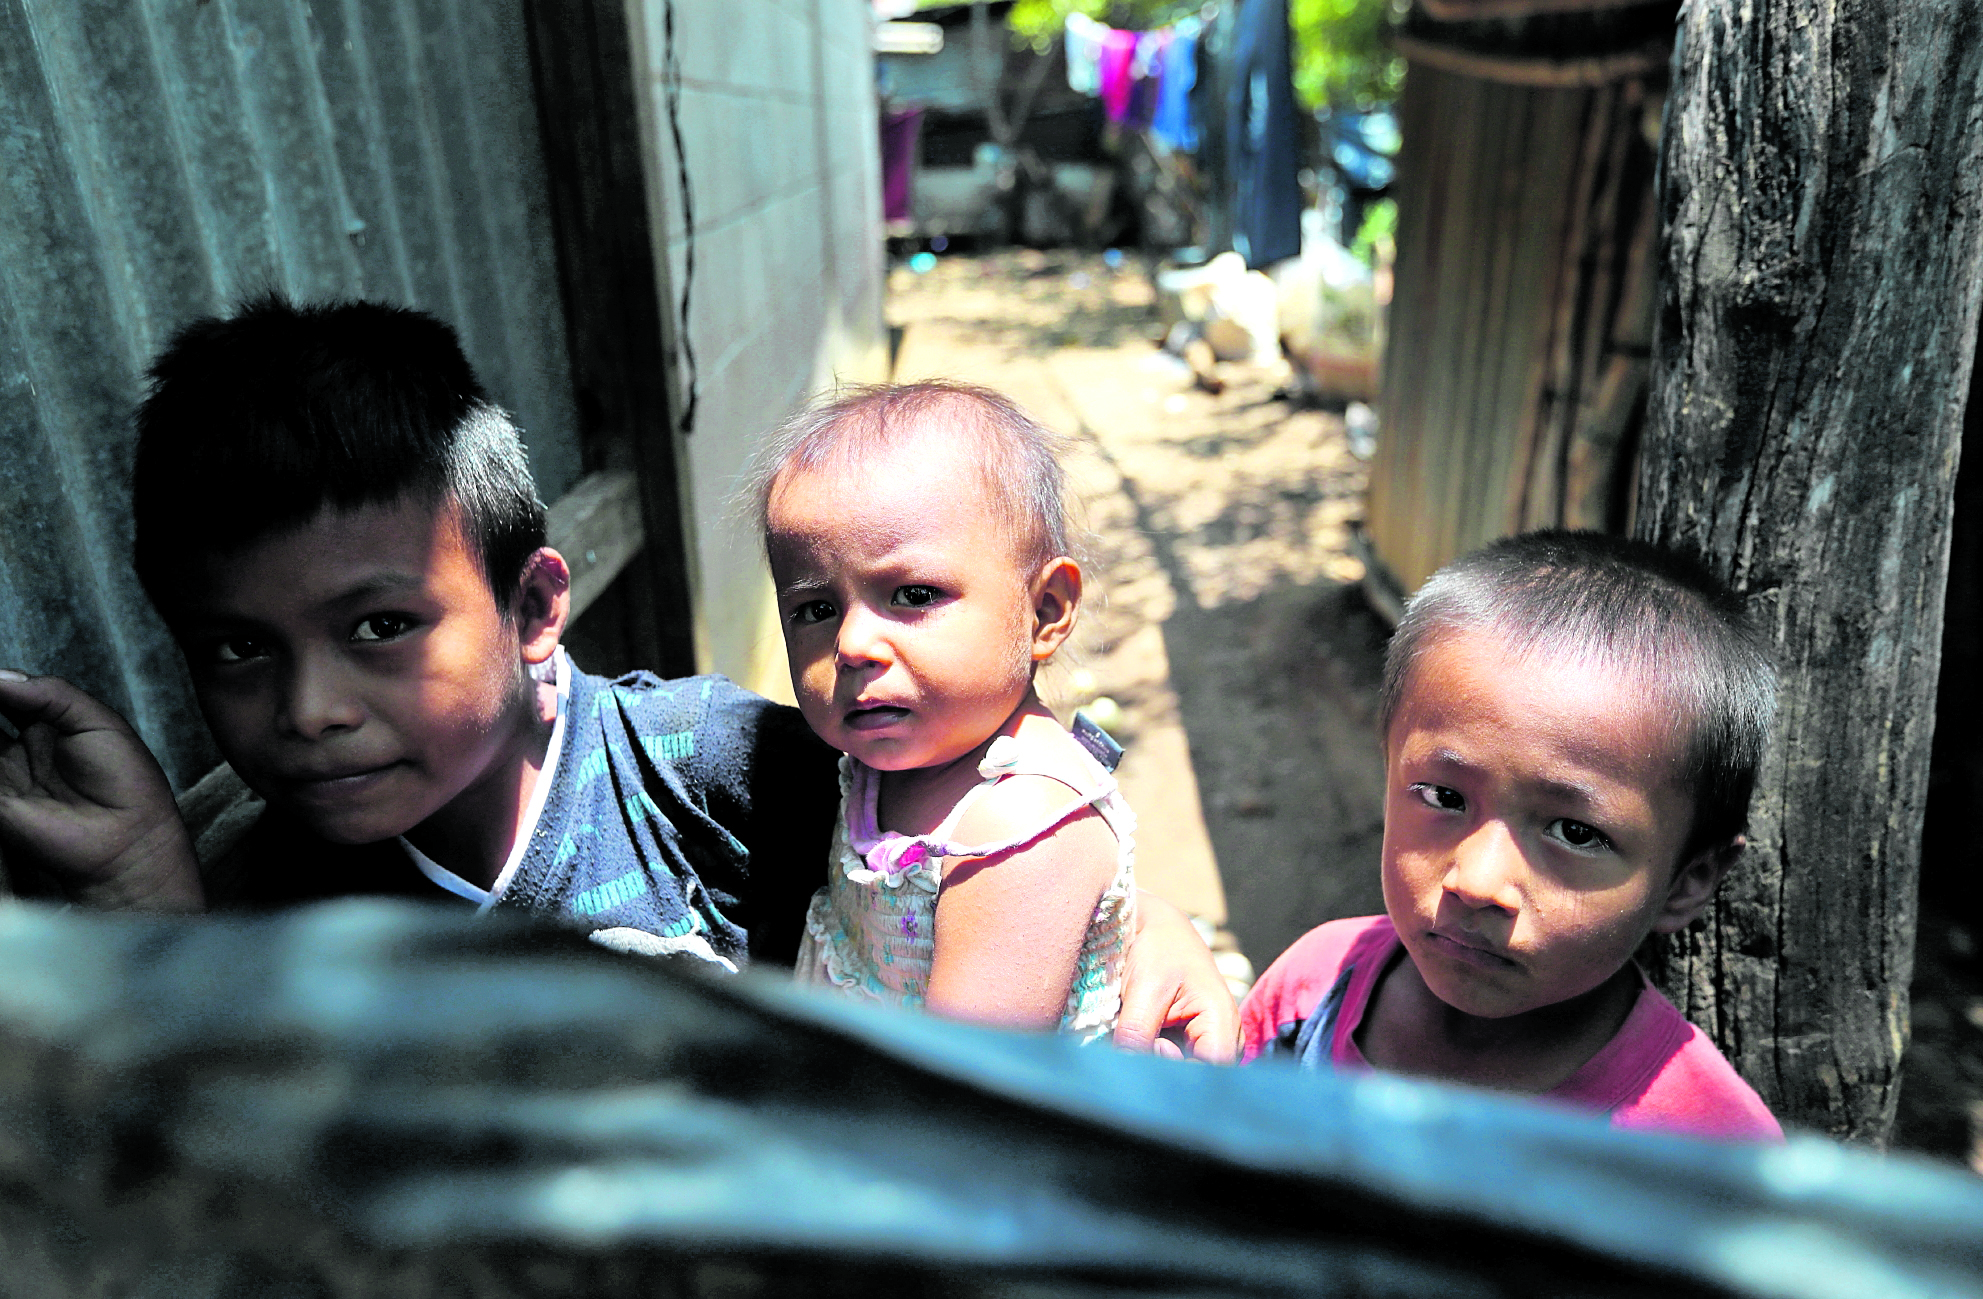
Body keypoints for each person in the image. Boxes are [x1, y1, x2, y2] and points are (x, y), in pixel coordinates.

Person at [0, 297, 1236, 1056]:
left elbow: (976, 795)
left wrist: (1153, 919)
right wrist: (145, 895)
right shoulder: (276, 893)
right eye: (236, 649)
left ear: (537, 605)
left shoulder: (701, 765)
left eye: (379, 626)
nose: (309, 708)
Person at [1240, 531, 1785, 1139]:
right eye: (1445, 797)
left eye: (1575, 832)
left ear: (1688, 883)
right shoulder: (1314, 989)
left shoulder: (1707, 1148)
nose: (1476, 882)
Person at [753, 383, 1132, 1038]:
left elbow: (963, 1084)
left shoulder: (1019, 825)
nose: (850, 645)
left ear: (1043, 611)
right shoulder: (896, 758)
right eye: (816, 608)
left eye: (912, 593)